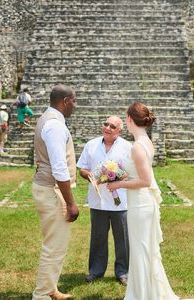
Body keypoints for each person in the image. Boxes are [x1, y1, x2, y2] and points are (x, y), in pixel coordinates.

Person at [107, 103, 179, 300]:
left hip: (140, 205)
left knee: (140, 250)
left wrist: (118, 185)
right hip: (141, 203)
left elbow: (145, 181)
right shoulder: (146, 141)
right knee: (143, 249)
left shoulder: (138, 146)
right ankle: (144, 292)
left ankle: (142, 295)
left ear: (130, 119)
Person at [32, 84, 79, 300]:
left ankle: (51, 289)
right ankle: (41, 295)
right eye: (74, 101)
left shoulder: (50, 120)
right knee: (54, 245)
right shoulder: (55, 126)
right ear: (66, 101)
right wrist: (70, 203)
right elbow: (59, 167)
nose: (75, 106)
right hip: (51, 189)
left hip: (47, 185)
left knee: (56, 242)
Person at [77, 116, 132, 285]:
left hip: (120, 200)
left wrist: (117, 179)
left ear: (119, 131)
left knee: (122, 238)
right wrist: (90, 176)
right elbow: (82, 168)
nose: (107, 127)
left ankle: (123, 272)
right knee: (98, 237)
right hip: (98, 199)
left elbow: (131, 171)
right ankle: (96, 271)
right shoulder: (91, 145)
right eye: (105, 124)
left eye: (112, 126)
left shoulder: (127, 147)